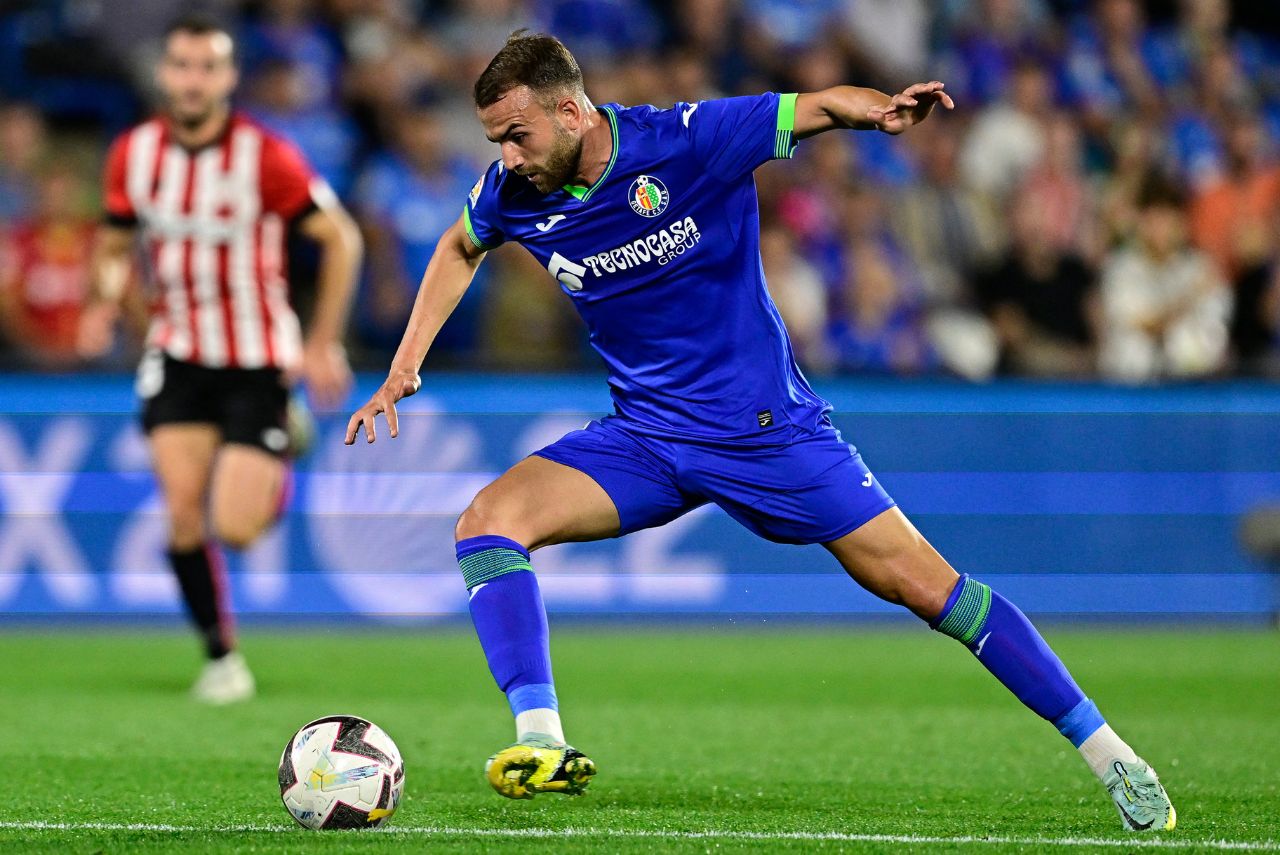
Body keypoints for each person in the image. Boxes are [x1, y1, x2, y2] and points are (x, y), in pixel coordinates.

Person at [345, 32, 1175, 831]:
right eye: (496, 139)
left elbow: (815, 108)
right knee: (487, 522)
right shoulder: (511, 192)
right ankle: (542, 740)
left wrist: (879, 110)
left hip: (766, 434)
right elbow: (460, 245)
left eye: (517, 135)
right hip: (647, 439)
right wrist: (405, 364)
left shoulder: (689, 140)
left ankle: (1114, 756)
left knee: (934, 591)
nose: (507, 156)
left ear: (570, 112)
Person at [83, 15, 363, 703]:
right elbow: (114, 248)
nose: (192, 80)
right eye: (182, 65)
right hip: (177, 353)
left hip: (256, 358)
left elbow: (341, 238)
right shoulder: (134, 154)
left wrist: (322, 343)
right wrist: (108, 299)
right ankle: (221, 658)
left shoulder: (264, 156)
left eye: (207, 67)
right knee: (183, 514)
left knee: (236, 528)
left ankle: (282, 446)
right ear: (164, 73)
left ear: (228, 77)